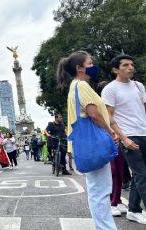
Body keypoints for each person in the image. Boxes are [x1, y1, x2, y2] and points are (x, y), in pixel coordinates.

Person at [57, 50, 117, 229]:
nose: (93, 66)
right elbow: (94, 114)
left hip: (86, 143)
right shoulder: (81, 86)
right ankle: (106, 228)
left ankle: (104, 226)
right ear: (79, 68)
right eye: (89, 63)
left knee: (97, 190)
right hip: (95, 141)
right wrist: (110, 132)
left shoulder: (74, 86)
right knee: (101, 190)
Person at [101, 55, 146, 224]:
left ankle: (133, 210)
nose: (131, 68)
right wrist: (124, 138)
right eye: (126, 65)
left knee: (140, 176)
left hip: (144, 133)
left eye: (132, 65)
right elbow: (109, 117)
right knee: (141, 174)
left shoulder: (139, 86)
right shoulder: (110, 89)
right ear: (115, 70)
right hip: (129, 135)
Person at [96, 80, 128, 217]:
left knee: (120, 171)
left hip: (119, 140)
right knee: (113, 171)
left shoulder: (116, 107)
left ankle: (118, 199)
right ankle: (112, 202)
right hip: (105, 141)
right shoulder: (98, 107)